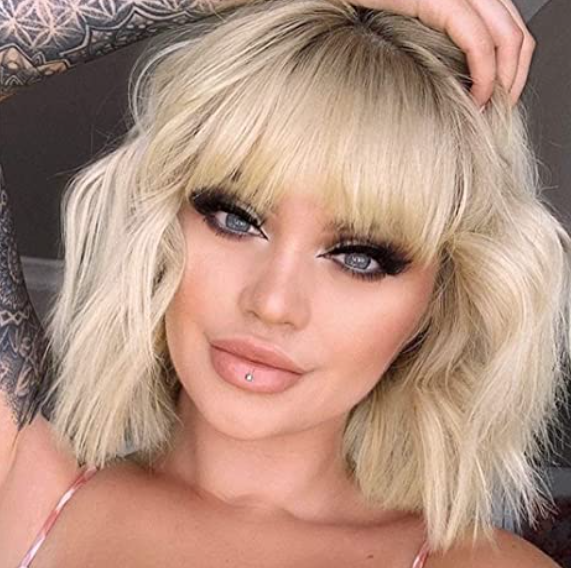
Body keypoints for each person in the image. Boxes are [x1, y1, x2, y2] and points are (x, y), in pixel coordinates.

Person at [0, 0, 565, 566]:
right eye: (235, 219)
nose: (272, 303)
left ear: (437, 300)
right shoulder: (24, 496)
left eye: (359, 258)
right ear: (165, 222)